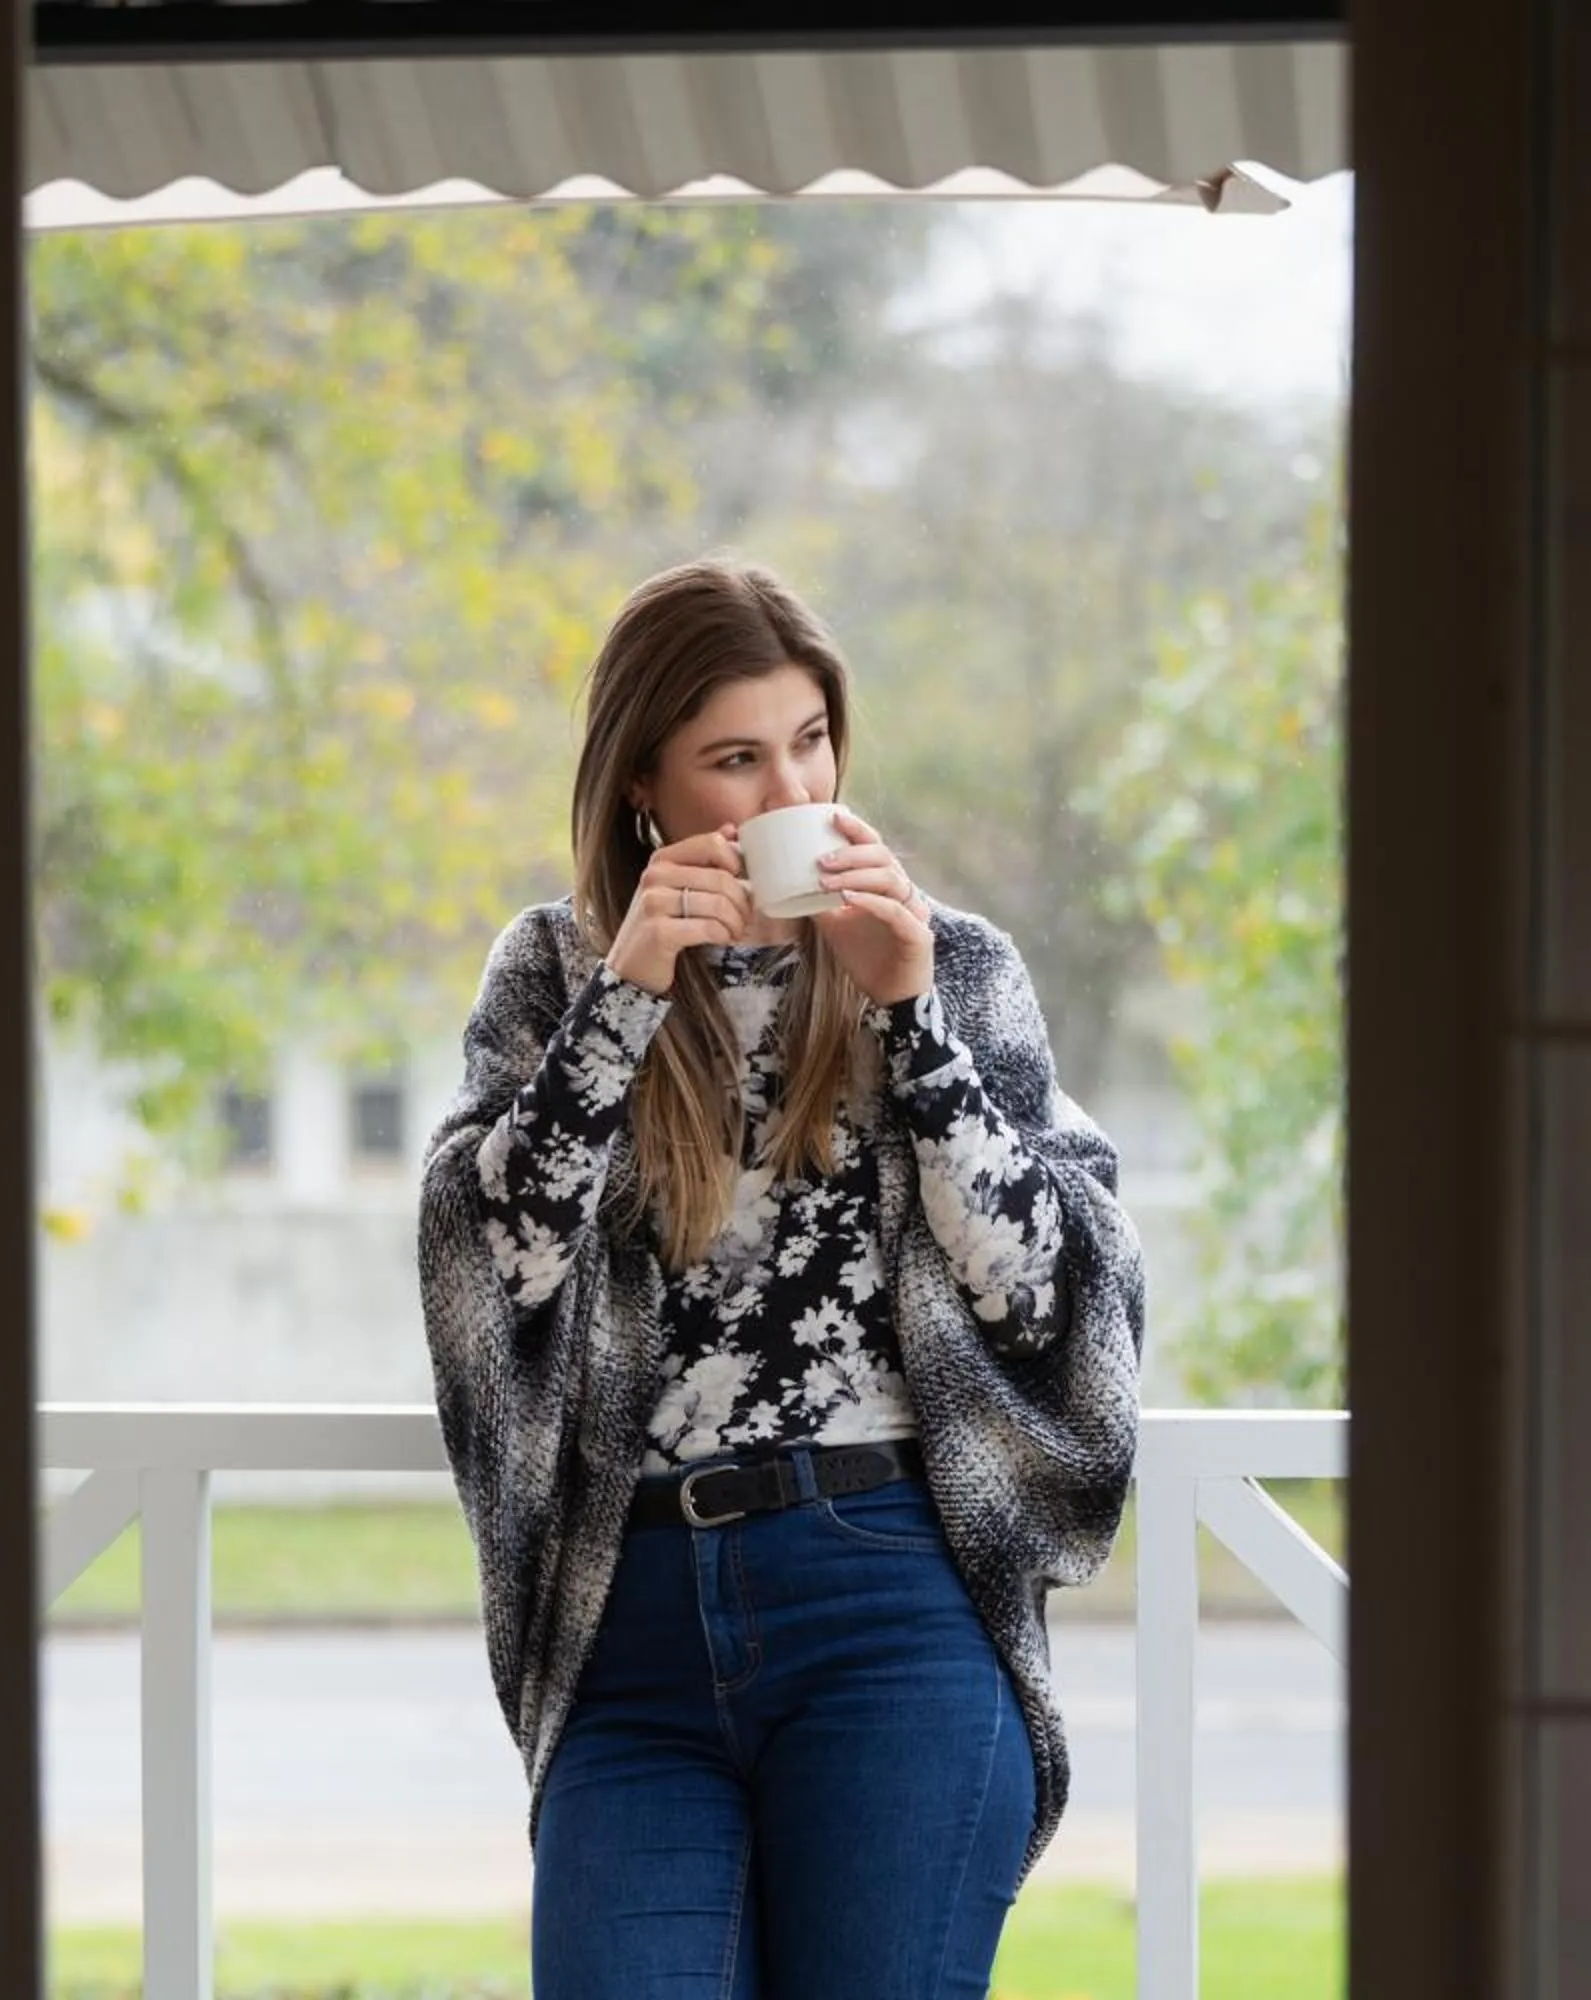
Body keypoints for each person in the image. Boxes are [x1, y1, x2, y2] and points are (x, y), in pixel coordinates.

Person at [418, 556, 1148, 1999]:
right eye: (734, 759)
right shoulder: (554, 974)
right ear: (644, 785)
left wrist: (911, 1022)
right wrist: (625, 997)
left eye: (810, 743)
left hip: (889, 1606)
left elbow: (1052, 1299)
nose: (785, 794)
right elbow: (493, 1260)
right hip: (627, 1623)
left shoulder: (952, 963)